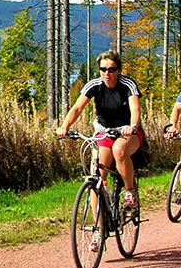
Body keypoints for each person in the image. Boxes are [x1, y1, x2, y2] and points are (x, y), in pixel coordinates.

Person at [56, 50, 143, 251]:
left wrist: (132, 126)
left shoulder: (127, 85)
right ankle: (98, 228)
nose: (107, 73)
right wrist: (65, 127)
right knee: (95, 177)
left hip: (127, 133)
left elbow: (135, 110)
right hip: (104, 133)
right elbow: (77, 108)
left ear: (118, 70)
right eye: (103, 69)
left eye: (111, 69)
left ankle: (130, 192)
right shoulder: (94, 85)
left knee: (120, 149)